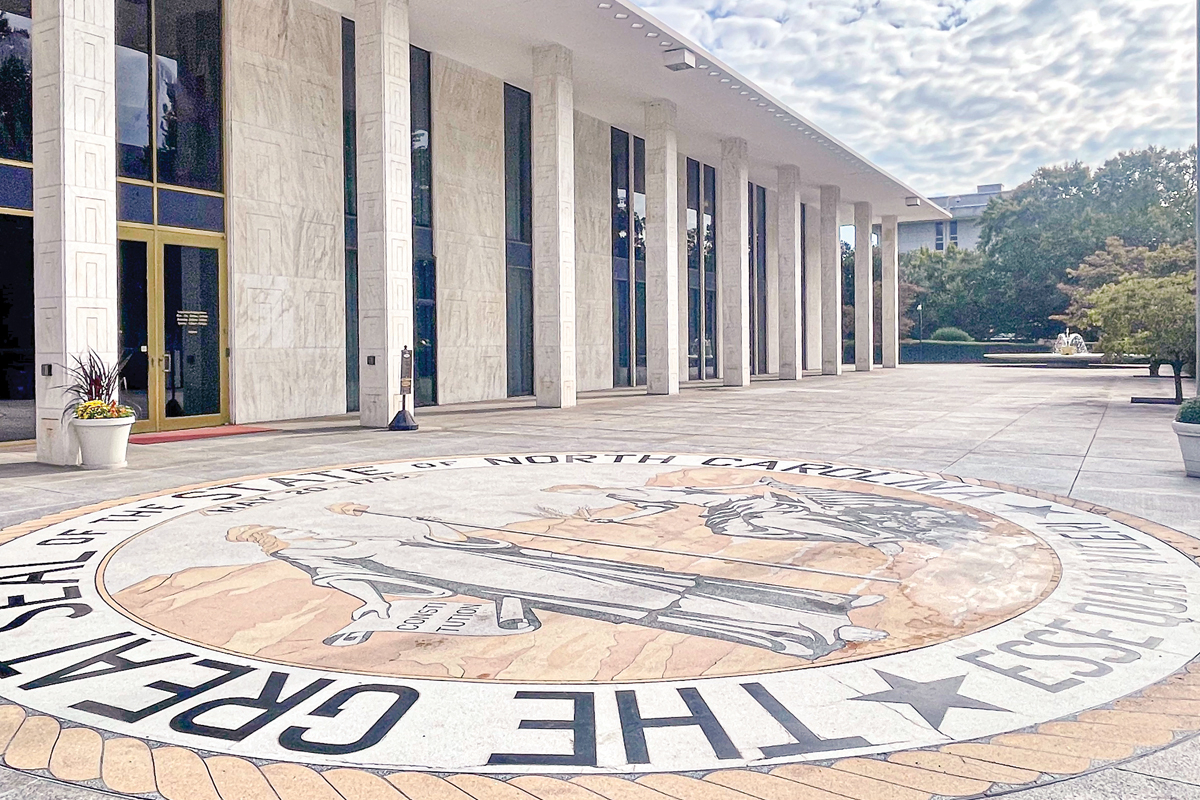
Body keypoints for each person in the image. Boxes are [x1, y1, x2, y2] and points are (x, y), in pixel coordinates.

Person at [227, 512, 888, 661]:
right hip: (502, 579)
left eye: (274, 533)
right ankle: (805, 636)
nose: (283, 538)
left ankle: (830, 604)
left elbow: (455, 542)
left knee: (663, 580)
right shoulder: (316, 562)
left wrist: (446, 535)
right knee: (660, 610)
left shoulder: (373, 532)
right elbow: (366, 593)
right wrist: (366, 622)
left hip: (515, 564)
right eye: (268, 538)